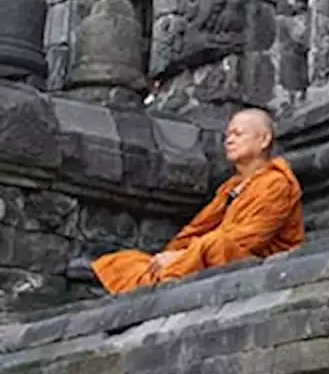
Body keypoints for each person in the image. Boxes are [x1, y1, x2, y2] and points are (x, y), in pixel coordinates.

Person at [92, 108, 304, 294]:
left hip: (256, 261)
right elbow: (196, 229)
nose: (229, 140)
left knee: (214, 245)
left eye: (238, 134)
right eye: (228, 135)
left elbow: (246, 240)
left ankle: (167, 274)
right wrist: (173, 253)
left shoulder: (277, 183)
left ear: (264, 140)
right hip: (207, 254)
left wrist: (182, 257)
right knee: (124, 260)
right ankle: (163, 274)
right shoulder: (230, 188)